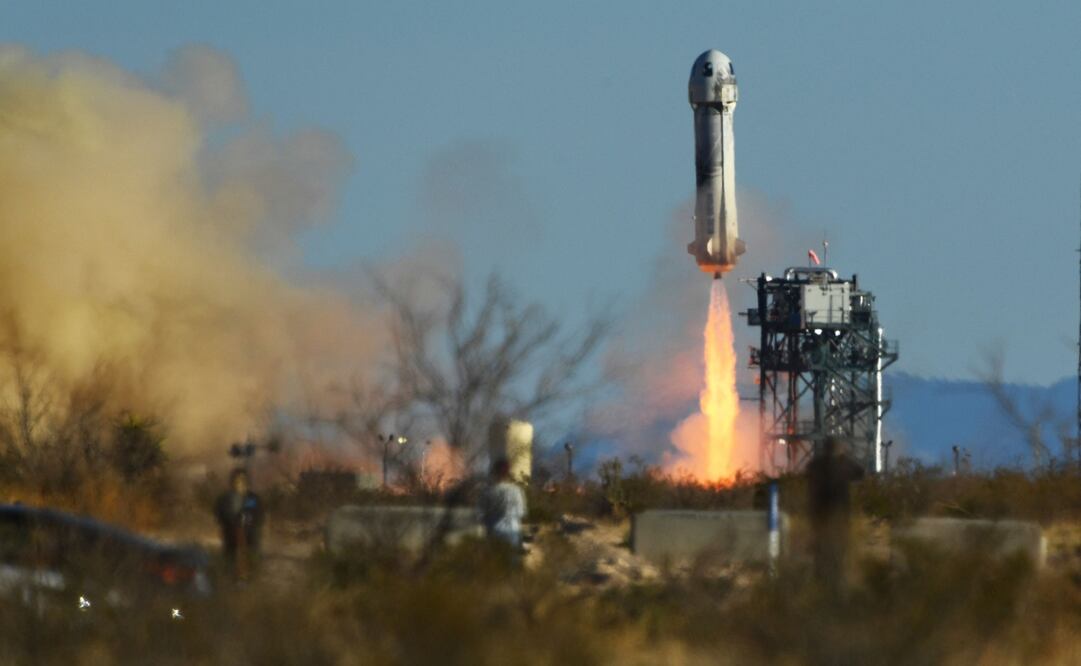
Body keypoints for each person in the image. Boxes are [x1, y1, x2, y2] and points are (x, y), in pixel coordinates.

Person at [806, 436, 865, 591]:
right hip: (840, 515)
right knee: (839, 551)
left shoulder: (815, 465)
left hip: (819, 516)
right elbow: (860, 473)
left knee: (821, 551)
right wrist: (845, 456)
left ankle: (820, 582)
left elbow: (808, 473)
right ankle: (836, 582)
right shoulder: (844, 465)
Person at [214, 468, 264, 581]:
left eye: (243, 479)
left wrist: (247, 521)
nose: (240, 482)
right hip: (230, 534)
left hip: (249, 535)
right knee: (230, 558)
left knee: (249, 558)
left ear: (247, 481)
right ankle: (230, 578)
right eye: (238, 480)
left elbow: (258, 515)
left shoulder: (253, 498)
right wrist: (229, 522)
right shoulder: (224, 498)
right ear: (233, 482)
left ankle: (248, 578)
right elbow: (219, 513)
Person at [478, 458, 527, 550]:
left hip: (494, 532)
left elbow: (480, 515)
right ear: (508, 473)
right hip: (513, 532)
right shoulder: (517, 491)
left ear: (494, 472)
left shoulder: (486, 492)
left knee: (495, 562)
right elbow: (521, 513)